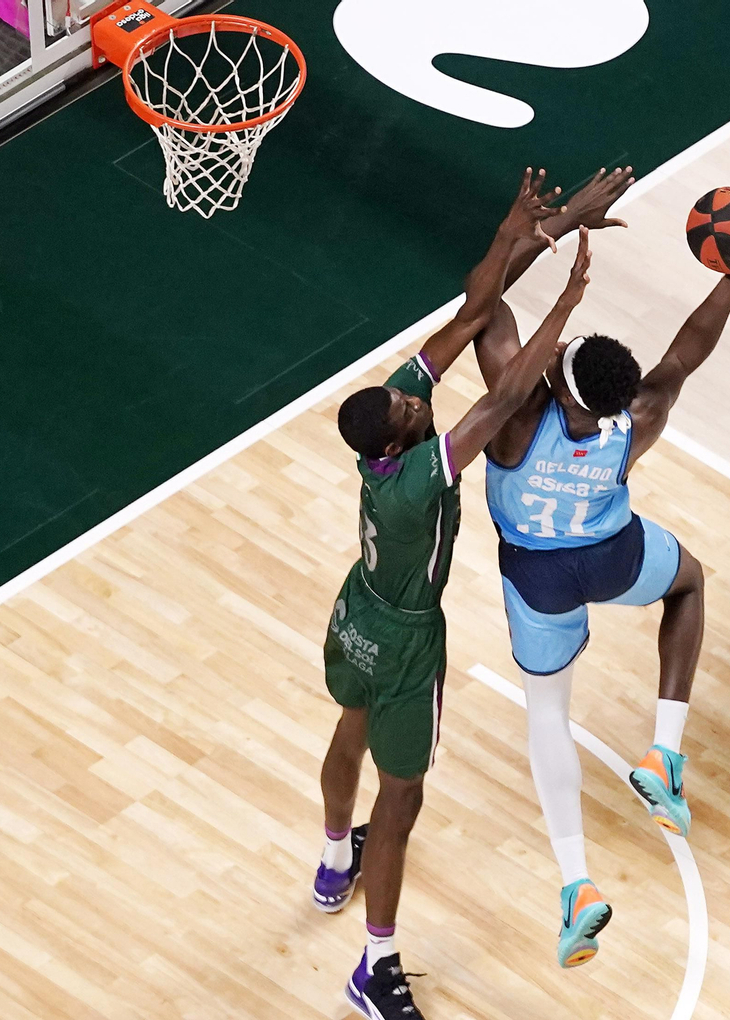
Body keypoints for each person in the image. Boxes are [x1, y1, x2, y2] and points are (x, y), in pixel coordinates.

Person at [315, 168, 595, 1020]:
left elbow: (473, 312)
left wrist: (519, 229)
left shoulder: (387, 431)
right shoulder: (413, 486)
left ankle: (334, 861)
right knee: (401, 798)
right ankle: (375, 967)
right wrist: (567, 302)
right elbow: (505, 397)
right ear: (397, 441)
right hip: (403, 635)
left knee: (349, 726)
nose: (415, 396)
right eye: (409, 407)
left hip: (356, 612)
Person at [471, 168, 730, 967]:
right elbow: (684, 354)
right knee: (689, 582)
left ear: (553, 376)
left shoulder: (515, 417)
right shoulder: (636, 420)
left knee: (547, 714)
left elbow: (484, 299)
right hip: (611, 553)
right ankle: (664, 751)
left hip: (538, 578)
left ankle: (577, 885)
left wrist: (563, 222)